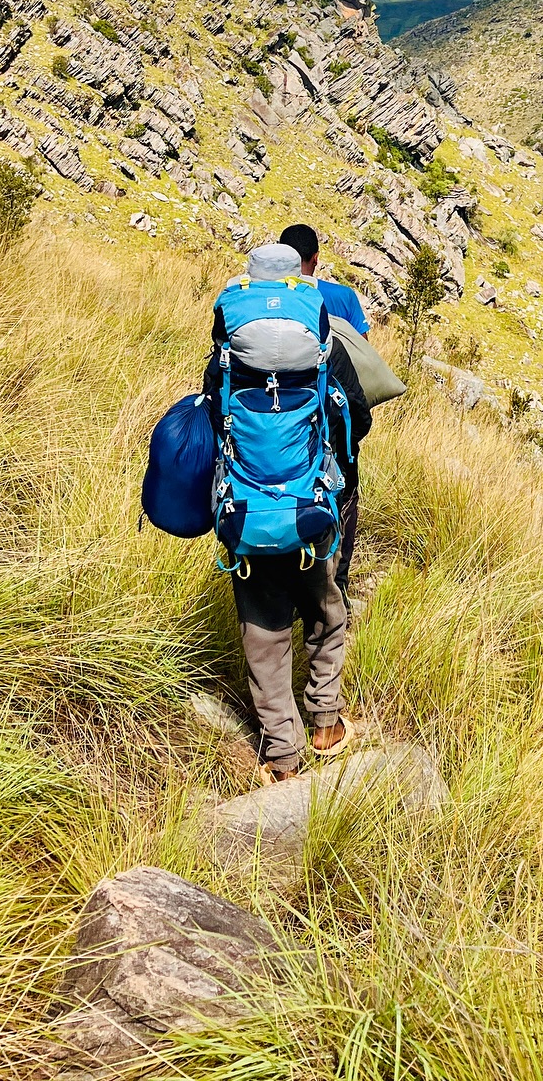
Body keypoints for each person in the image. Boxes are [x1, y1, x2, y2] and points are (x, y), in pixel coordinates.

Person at [203, 241, 371, 782]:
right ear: (300, 278)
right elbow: (356, 418)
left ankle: (282, 755)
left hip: (246, 510)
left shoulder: (227, 355)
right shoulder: (323, 347)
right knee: (326, 611)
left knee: (264, 632)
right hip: (312, 508)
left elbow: (214, 423)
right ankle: (325, 724)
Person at [279, 222, 372, 596]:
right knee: (344, 494)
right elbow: (363, 361)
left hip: (276, 432)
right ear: (315, 258)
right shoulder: (342, 298)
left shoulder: (260, 302)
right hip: (329, 432)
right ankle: (336, 585)